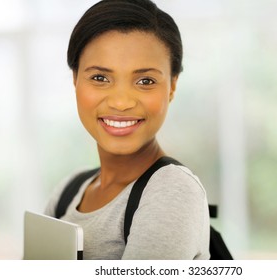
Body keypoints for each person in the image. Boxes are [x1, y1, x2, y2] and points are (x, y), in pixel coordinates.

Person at [44, 0, 210, 260]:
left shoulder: (172, 190)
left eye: (145, 81)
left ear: (172, 87)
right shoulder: (69, 190)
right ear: (75, 78)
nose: (121, 102)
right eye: (100, 78)